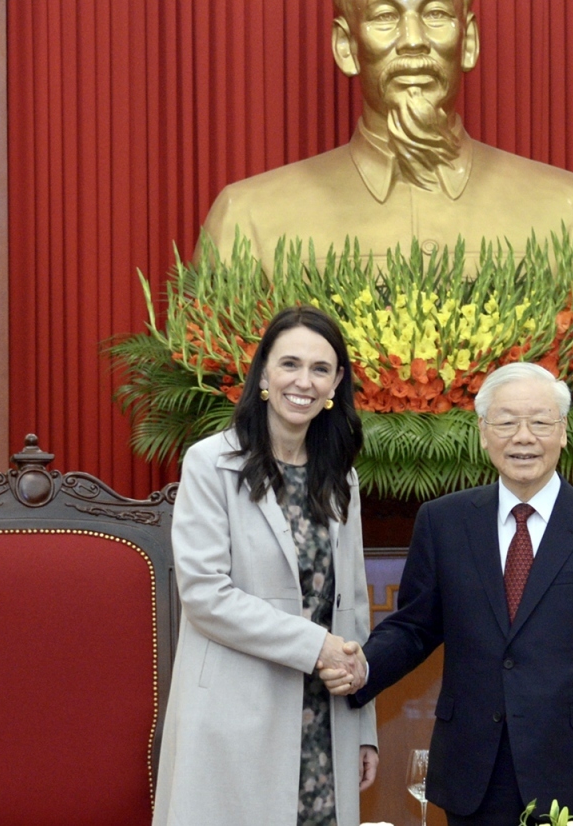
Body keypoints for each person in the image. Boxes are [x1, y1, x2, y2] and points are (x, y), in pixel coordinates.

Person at [335, 362, 573, 826]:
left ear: (563, 432)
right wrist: (359, 667)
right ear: (484, 433)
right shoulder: (444, 522)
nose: (523, 437)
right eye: (506, 422)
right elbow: (414, 626)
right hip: (473, 773)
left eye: (540, 422)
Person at [198, 0, 573, 272]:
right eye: (385, 17)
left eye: (436, 14)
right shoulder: (247, 219)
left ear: (468, 40)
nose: (414, 41)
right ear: (345, 46)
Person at [152, 305, 378, 826]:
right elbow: (206, 596)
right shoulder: (211, 463)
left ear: (336, 383)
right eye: (290, 364)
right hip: (236, 716)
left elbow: (354, 610)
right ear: (263, 375)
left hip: (326, 721)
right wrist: (314, 645)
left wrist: (364, 723)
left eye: (321, 369)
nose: (304, 381)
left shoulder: (341, 478)